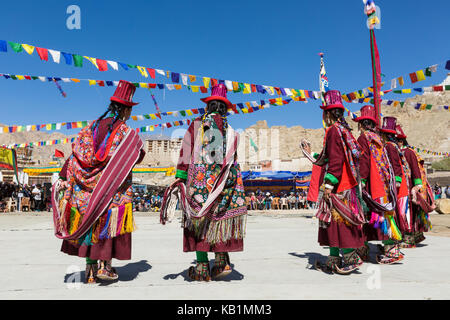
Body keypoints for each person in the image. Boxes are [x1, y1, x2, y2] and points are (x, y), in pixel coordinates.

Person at [53, 80, 145, 283]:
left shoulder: (90, 128)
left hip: (85, 190)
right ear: (126, 109)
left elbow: (74, 154)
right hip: (110, 189)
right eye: (129, 110)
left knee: (89, 224)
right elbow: (137, 154)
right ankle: (106, 266)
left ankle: (90, 270)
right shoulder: (125, 132)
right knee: (107, 223)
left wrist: (62, 176)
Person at [160, 84, 247, 281]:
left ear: (208, 105)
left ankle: (201, 267)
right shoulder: (231, 130)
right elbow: (232, 158)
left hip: (201, 183)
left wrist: (180, 177)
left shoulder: (197, 124)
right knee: (220, 218)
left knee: (199, 222)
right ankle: (221, 260)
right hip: (226, 182)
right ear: (225, 108)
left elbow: (186, 151)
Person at [301, 90, 365, 274]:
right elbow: (326, 157)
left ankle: (351, 258)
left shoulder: (333, 131)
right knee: (331, 224)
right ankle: (333, 259)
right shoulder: (344, 130)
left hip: (339, 186)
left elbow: (335, 160)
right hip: (347, 184)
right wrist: (309, 152)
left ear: (327, 114)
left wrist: (328, 184)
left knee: (339, 224)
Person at [354, 107, 403, 264]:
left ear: (361, 124)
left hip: (371, 184)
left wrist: (361, 181)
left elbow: (364, 161)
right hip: (384, 184)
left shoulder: (363, 138)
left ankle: (363, 249)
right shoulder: (379, 140)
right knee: (384, 215)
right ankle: (392, 249)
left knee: (363, 215)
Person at [395, 124, 434, 248]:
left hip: (409, 187)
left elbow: (416, 170)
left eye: (396, 141)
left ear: (400, 141)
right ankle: (407, 236)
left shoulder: (409, 152)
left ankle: (409, 238)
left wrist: (417, 185)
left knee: (409, 211)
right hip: (402, 186)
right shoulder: (399, 152)